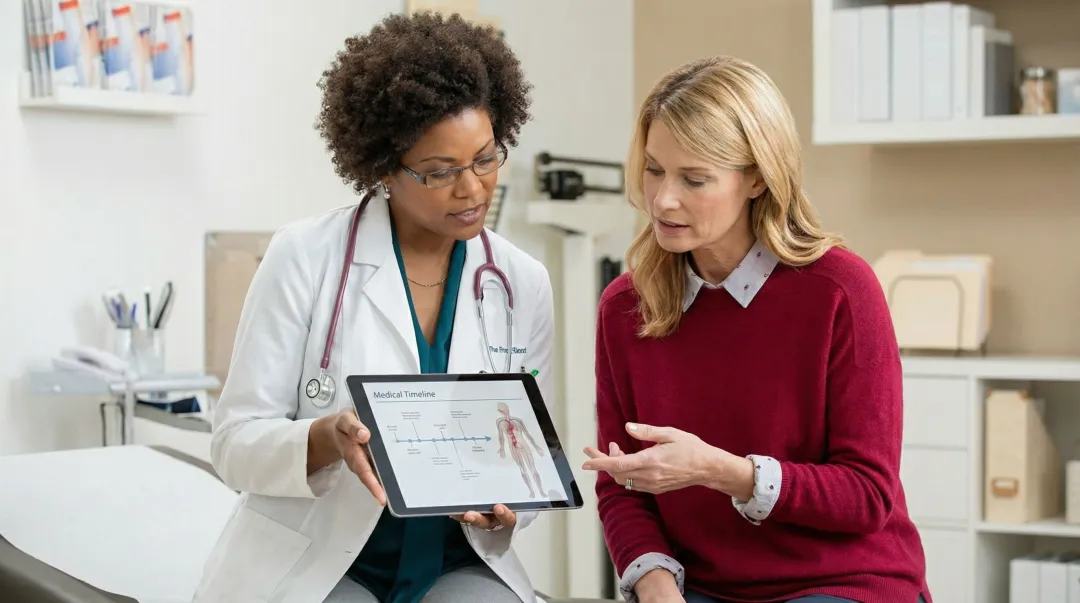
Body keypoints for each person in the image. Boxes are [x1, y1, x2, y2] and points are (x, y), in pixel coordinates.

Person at [192, 12, 556, 603]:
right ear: (386, 168)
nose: (473, 189)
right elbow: (233, 445)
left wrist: (510, 508)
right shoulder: (304, 256)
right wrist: (323, 438)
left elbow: (524, 457)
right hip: (321, 560)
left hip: (453, 562)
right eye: (440, 172)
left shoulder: (520, 282)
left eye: (486, 159)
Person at [580, 56, 931, 603]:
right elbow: (622, 485)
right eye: (653, 170)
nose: (663, 199)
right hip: (700, 589)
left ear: (757, 179)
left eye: (694, 179)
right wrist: (655, 586)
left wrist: (724, 472)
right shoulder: (626, 307)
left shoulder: (840, 290)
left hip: (840, 582)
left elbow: (867, 495)